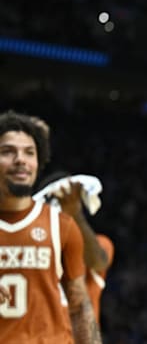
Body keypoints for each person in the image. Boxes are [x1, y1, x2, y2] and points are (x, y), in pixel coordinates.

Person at [0, 110, 101, 343]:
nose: (21, 160)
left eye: (29, 153)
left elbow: (79, 308)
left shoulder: (61, 226)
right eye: (8, 152)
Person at [34, 170, 114, 326]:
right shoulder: (30, 253)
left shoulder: (100, 243)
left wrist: (74, 214)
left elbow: (98, 262)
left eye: (69, 202)